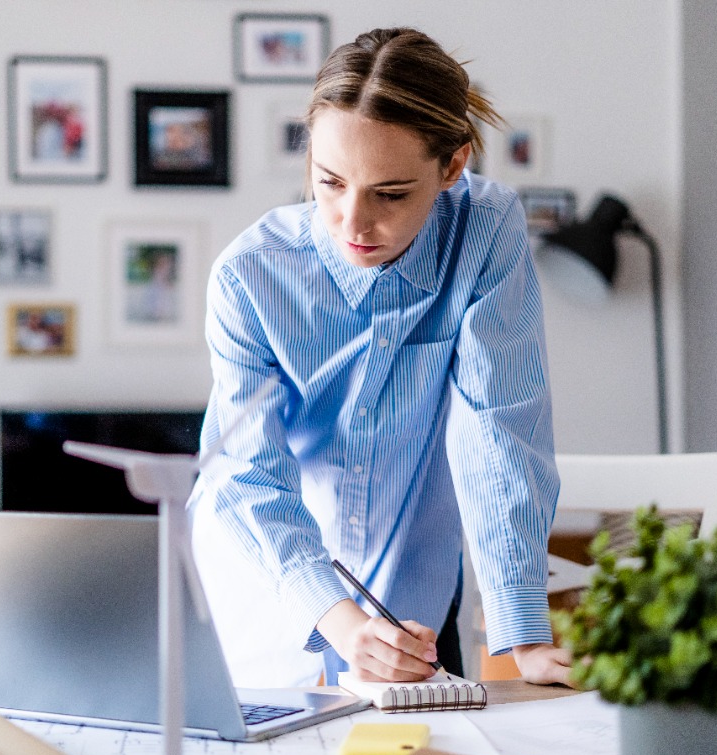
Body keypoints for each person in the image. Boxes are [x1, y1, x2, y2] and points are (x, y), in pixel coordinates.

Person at [188, 27, 572, 690]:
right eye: (330, 183)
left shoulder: (484, 231)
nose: (352, 224)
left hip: (412, 603)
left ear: (452, 167)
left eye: (390, 194)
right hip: (269, 604)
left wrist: (525, 634)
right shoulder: (247, 278)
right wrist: (340, 622)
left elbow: (499, 427)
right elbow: (249, 478)